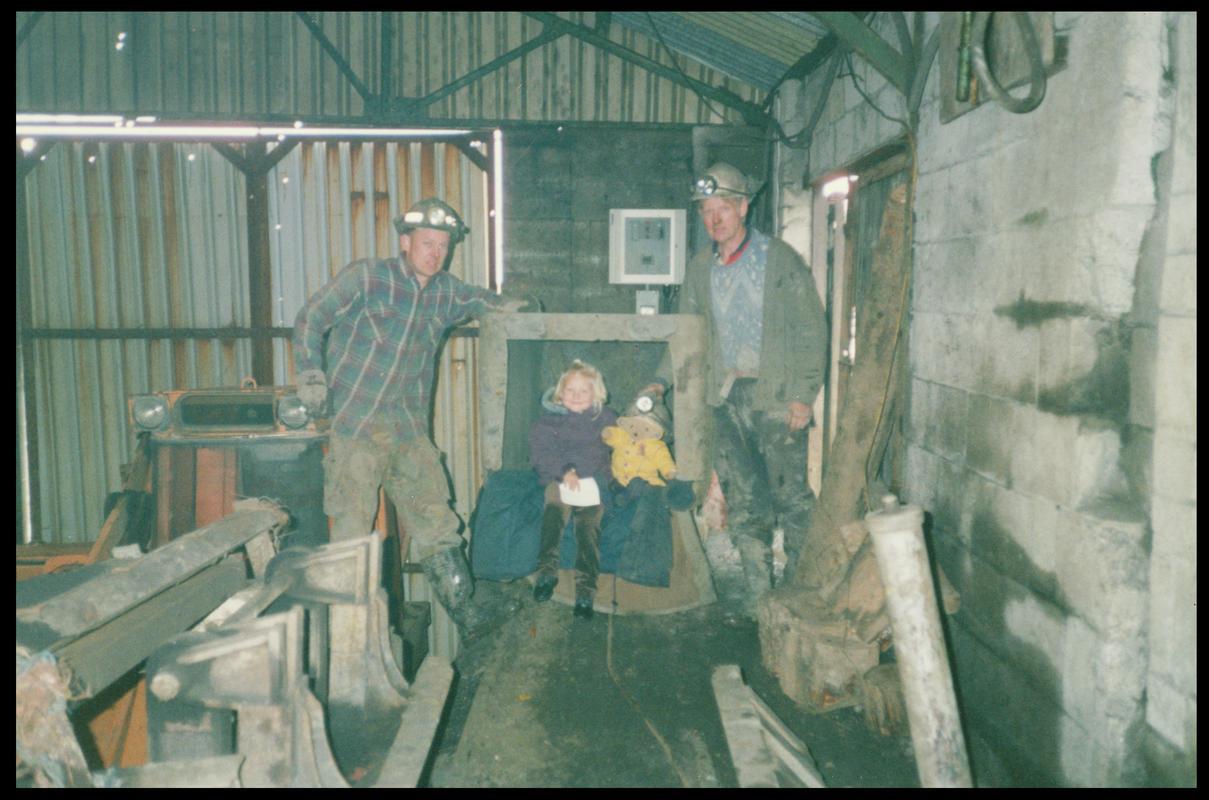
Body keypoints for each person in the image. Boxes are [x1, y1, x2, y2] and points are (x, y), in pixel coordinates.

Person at [292, 197, 523, 641]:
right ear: (405, 241)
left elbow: (483, 301)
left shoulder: (446, 292)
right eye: (427, 243)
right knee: (352, 534)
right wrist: (310, 374)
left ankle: (469, 621)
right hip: (356, 428)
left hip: (407, 432)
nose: (435, 253)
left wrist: (514, 306)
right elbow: (311, 318)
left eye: (443, 246)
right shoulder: (368, 277)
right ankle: (346, 639)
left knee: (438, 524)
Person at [680, 162, 827, 599]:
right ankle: (760, 599)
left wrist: (802, 396)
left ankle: (799, 591)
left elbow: (810, 329)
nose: (714, 219)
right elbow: (685, 332)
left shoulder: (778, 259)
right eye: (706, 211)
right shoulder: (699, 268)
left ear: (743, 207)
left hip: (776, 397)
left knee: (792, 498)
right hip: (724, 400)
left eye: (722, 208)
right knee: (745, 502)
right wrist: (657, 382)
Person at [528, 360, 618, 620]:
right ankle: (546, 572)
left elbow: (622, 443)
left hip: (593, 484)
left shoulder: (606, 418)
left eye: (584, 391)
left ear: (596, 394)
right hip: (560, 479)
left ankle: (586, 591)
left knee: (588, 529)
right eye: (570, 390)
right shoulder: (549, 422)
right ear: (559, 393)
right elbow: (541, 453)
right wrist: (564, 471)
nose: (576, 396)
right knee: (553, 515)